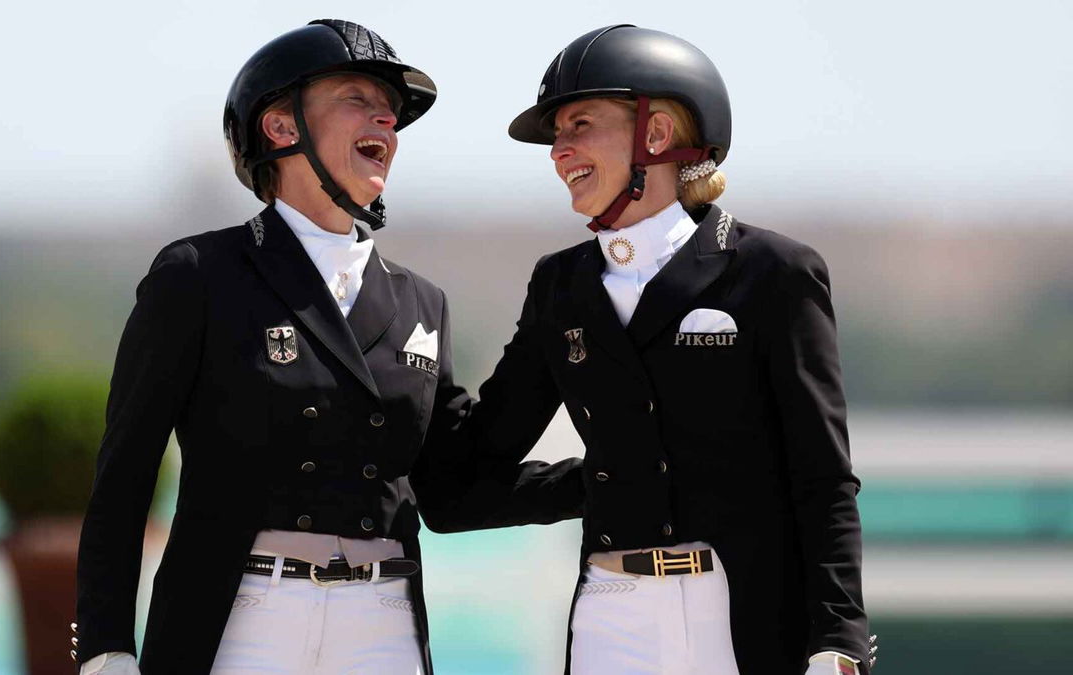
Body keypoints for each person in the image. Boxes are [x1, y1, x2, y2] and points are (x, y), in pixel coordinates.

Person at [71, 20, 583, 675]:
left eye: (392, 114)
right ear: (282, 128)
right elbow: (124, 476)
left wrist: (607, 480)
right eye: (357, 100)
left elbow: (454, 493)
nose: (386, 124)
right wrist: (104, 648)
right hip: (239, 623)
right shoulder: (197, 275)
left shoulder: (422, 304)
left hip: (383, 626)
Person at [462, 24, 876, 674]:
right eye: (555, 136)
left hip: (738, 611)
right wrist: (601, 482)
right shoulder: (559, 287)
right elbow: (467, 483)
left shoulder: (774, 272)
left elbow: (822, 477)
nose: (558, 151)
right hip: (609, 611)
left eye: (578, 125)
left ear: (655, 135)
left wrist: (840, 634)